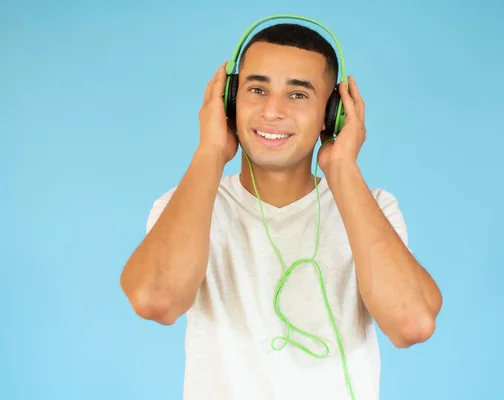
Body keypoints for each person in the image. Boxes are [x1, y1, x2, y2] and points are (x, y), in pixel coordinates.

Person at [120, 16, 442, 400]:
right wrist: (210, 152)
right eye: (257, 89)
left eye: (298, 94)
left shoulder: (373, 208)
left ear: (333, 112)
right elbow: (155, 300)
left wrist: (342, 167)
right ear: (229, 100)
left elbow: (412, 324)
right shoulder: (185, 205)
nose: (272, 111)